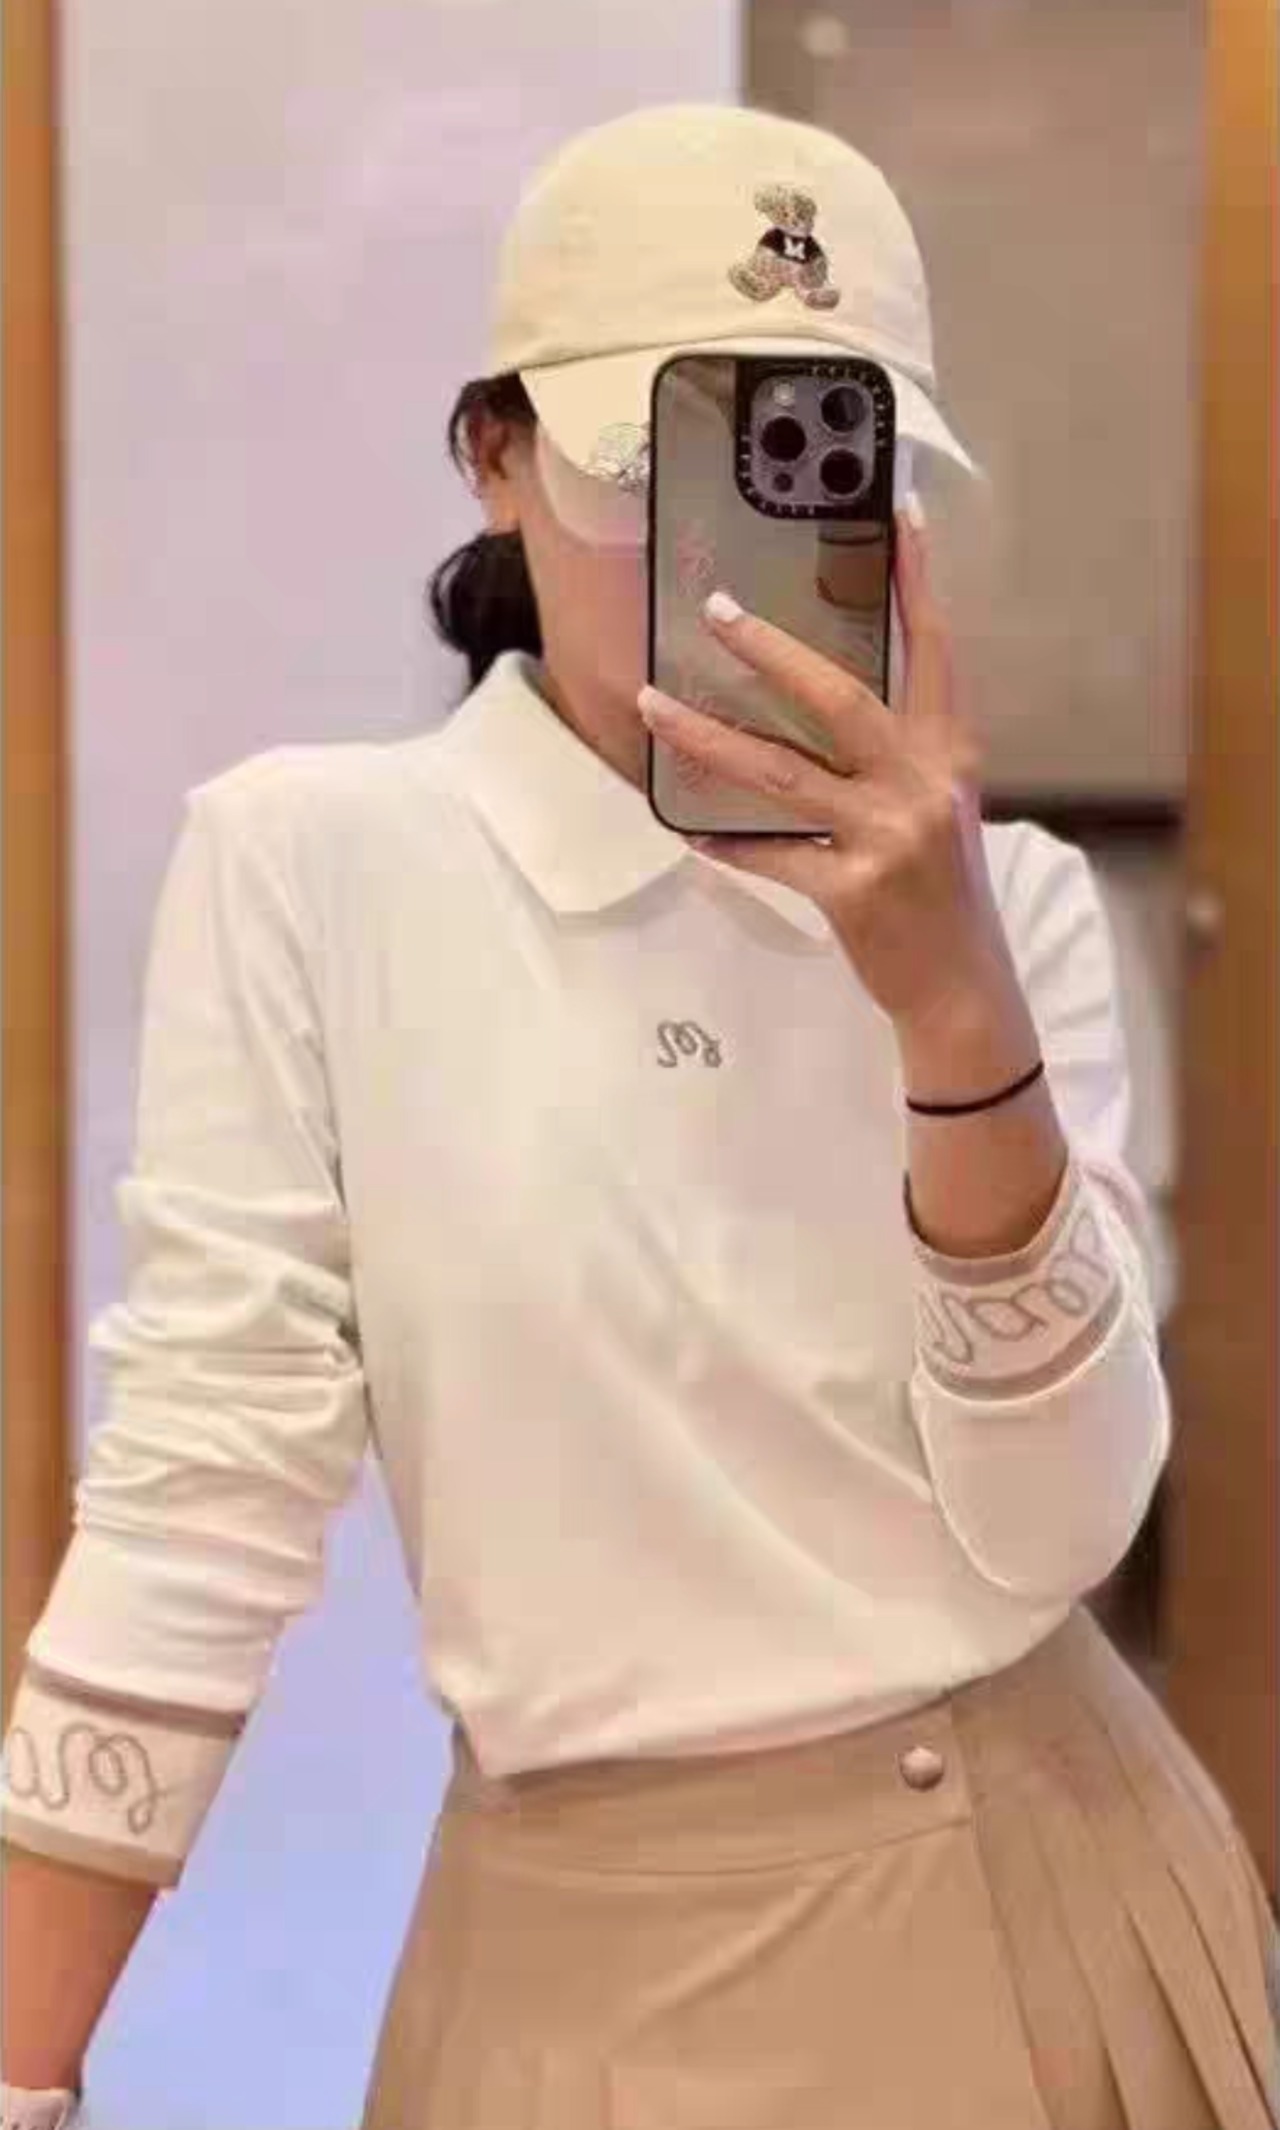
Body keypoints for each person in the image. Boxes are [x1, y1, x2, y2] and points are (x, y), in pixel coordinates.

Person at [3, 101, 1277, 2130]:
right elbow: (200, 1487)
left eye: (810, 464)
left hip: (1042, 1892)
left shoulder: (1014, 909)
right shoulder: (316, 867)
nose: (720, 549)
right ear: (493, 459)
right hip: (565, 1959)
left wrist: (953, 1006)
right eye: (653, 459)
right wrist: (26, 2056)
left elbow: (1062, 1528)